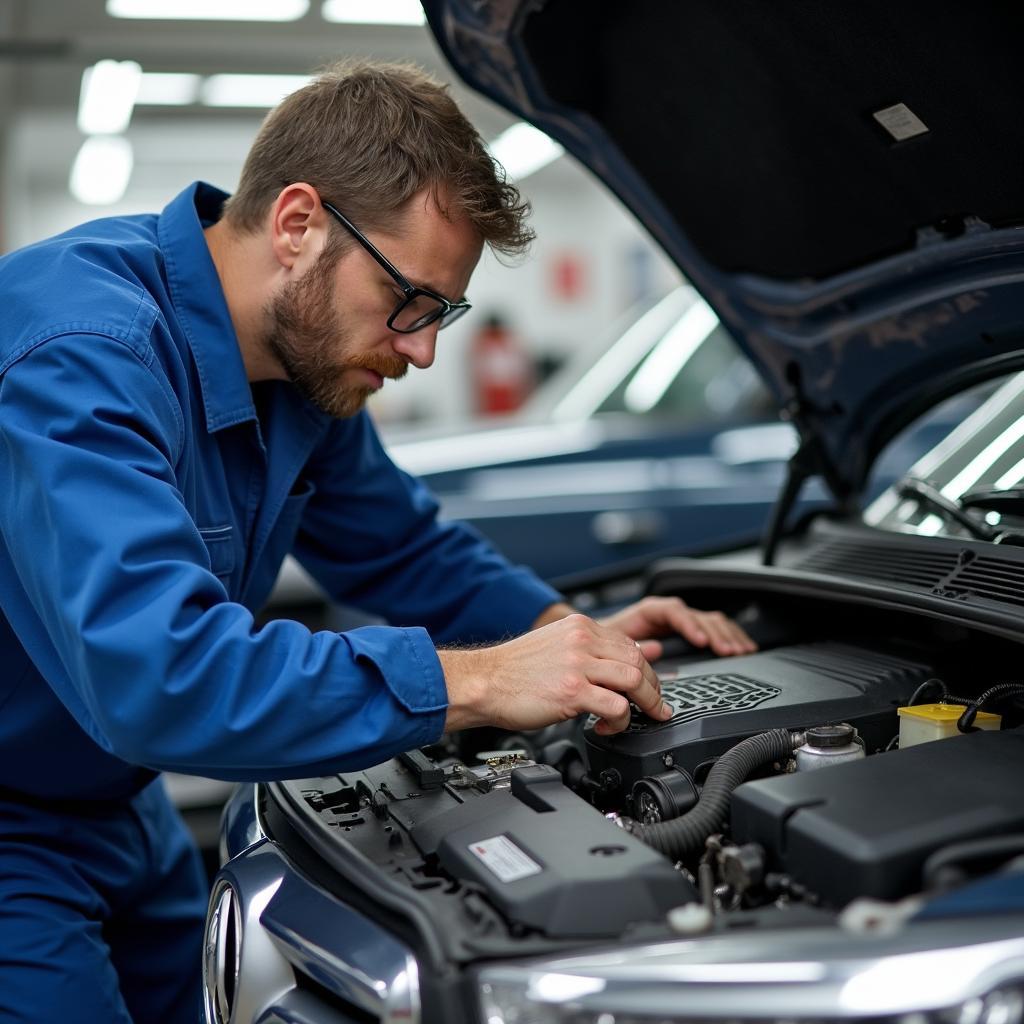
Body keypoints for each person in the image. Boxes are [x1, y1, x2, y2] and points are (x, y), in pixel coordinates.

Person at [0, 60, 755, 1022]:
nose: (424, 348)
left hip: (111, 792)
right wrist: (476, 682)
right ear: (298, 223)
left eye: (442, 312)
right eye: (410, 299)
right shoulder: (78, 359)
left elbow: (406, 551)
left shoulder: (300, 369)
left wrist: (574, 641)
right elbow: (162, 675)